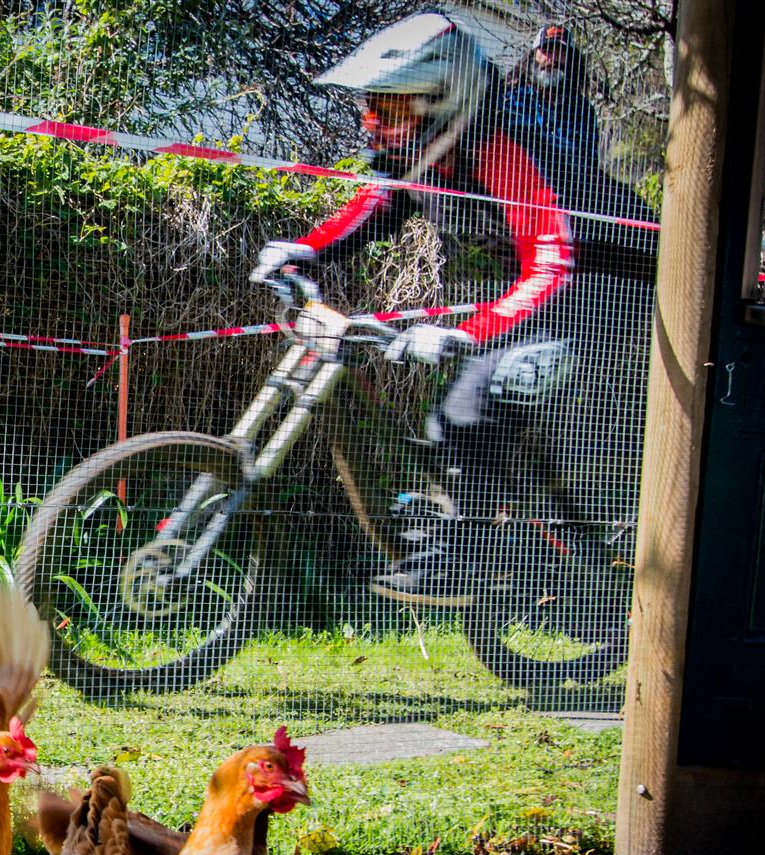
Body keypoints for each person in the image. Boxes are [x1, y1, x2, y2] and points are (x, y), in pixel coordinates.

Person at [250, 12, 651, 606]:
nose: (374, 123)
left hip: (617, 287)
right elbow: (379, 202)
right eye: (372, 106)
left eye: (390, 108)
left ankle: (469, 559)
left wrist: (465, 334)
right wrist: (305, 248)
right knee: (455, 419)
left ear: (444, 101)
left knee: (469, 405)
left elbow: (555, 265)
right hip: (563, 287)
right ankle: (524, 552)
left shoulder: (505, 149)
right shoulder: (430, 156)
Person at [505, 25, 601, 172]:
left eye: (560, 52)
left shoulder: (583, 112)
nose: (553, 59)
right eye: (547, 50)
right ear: (533, 56)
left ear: (571, 60)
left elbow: (588, 166)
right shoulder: (512, 100)